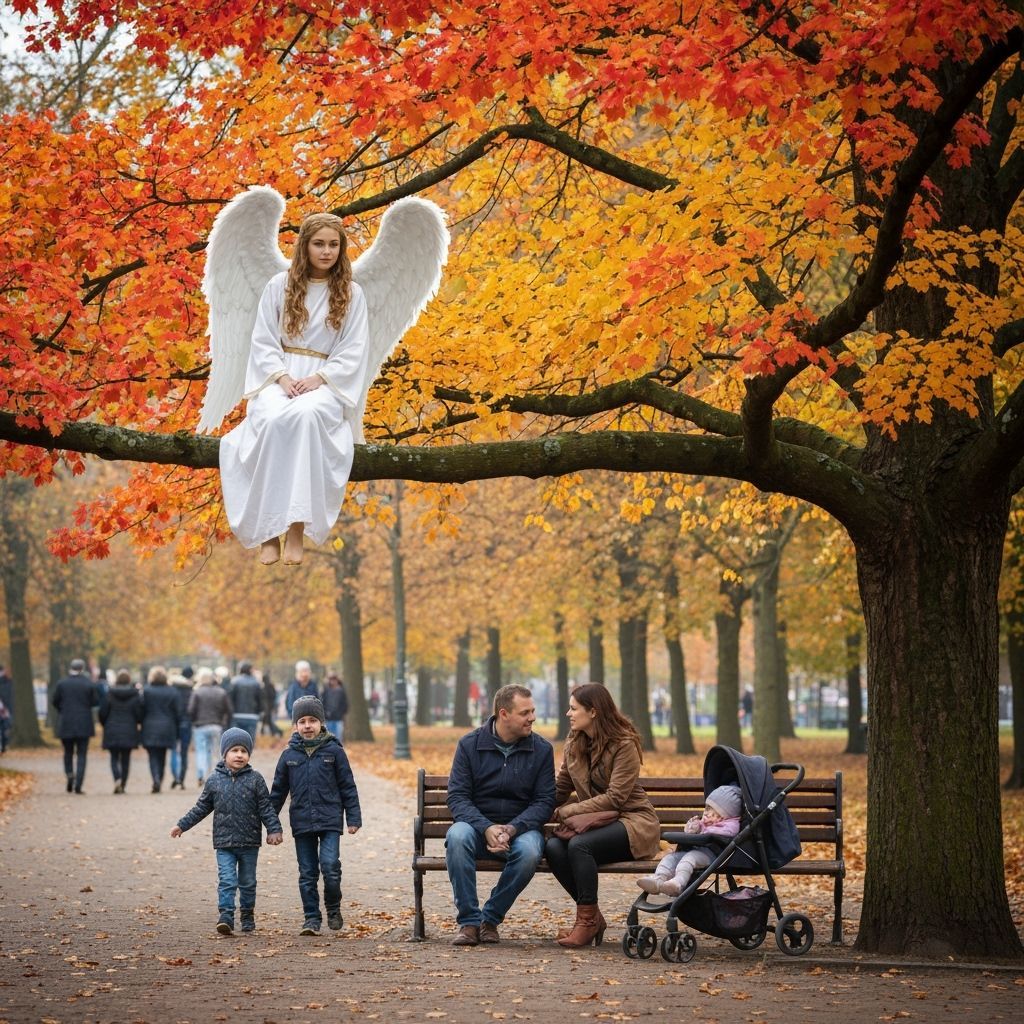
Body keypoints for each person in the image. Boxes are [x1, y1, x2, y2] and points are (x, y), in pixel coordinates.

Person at [219, 212, 370, 566]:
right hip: (279, 376)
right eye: (319, 244)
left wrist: (320, 379)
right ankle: (269, 532)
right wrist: (283, 378)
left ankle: (297, 527)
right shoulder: (279, 285)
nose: (327, 251)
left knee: (306, 416)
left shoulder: (351, 293)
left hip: (326, 381)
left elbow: (354, 348)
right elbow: (262, 339)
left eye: (334, 245)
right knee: (271, 419)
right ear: (304, 246)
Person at [544, 683, 661, 948]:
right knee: (552, 846)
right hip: (596, 823)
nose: (568, 714)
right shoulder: (575, 742)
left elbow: (616, 798)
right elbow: (562, 787)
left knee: (579, 845)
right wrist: (531, 812)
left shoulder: (624, 744)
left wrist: (567, 811)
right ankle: (593, 917)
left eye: (574, 708)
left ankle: (585, 924)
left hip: (633, 822)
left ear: (593, 712)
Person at [444, 684, 555, 947]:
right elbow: (457, 797)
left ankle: (490, 919)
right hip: (476, 828)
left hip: (521, 830)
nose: (532, 718)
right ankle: (469, 922)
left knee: (530, 852)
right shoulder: (470, 745)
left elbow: (545, 801)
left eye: (533, 711)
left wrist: (513, 828)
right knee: (457, 836)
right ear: (504, 714)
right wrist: (486, 827)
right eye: (525, 712)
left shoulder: (541, 749)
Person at [171, 727, 284, 935]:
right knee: (227, 880)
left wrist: (274, 829)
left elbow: (266, 808)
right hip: (224, 843)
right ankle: (226, 916)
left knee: (248, 882)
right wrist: (182, 825)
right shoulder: (214, 779)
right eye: (234, 750)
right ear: (224, 754)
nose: (239, 755)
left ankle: (247, 914)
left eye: (243, 751)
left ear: (249, 754)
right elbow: (201, 807)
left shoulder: (256, 779)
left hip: (249, 842)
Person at [271, 695, 361, 936]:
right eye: (302, 721)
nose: (307, 725)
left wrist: (353, 817)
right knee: (307, 872)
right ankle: (311, 917)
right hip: (302, 822)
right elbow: (278, 792)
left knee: (330, 866)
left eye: (312, 720)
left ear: (322, 723)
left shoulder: (334, 751)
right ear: (295, 726)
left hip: (330, 818)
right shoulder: (289, 756)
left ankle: (333, 908)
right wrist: (271, 824)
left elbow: (348, 786)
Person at [637, 784, 742, 897]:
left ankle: (678, 883)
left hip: (713, 855)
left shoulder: (731, 824)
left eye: (712, 810)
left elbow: (728, 834)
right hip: (696, 850)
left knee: (689, 859)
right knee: (670, 858)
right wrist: (693, 827)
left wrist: (709, 830)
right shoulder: (705, 822)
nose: (706, 812)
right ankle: (658, 880)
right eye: (706, 808)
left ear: (725, 814)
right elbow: (691, 832)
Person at [52, 658, 99, 794]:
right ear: (82, 669)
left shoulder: (62, 683)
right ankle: (79, 783)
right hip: (84, 722)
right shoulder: (88, 684)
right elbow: (95, 701)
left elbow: (55, 701)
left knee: (67, 752)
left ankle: (69, 774)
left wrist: (63, 709)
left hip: (66, 721)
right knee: (82, 754)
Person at [188, 667, 233, 786]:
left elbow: (190, 710)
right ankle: (216, 775)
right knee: (215, 751)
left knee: (201, 751)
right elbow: (228, 710)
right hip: (216, 726)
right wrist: (223, 721)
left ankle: (202, 775)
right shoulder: (221, 692)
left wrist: (194, 721)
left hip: (200, 726)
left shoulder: (197, 692)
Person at [99, 670, 142, 793]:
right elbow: (139, 714)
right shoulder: (135, 695)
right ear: (129, 680)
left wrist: (105, 724)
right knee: (126, 758)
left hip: (112, 728)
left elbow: (103, 712)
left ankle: (116, 777)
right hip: (129, 729)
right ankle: (123, 783)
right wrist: (137, 722)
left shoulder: (109, 693)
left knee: (113, 756)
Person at [140, 666, 180, 793]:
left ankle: (155, 778)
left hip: (150, 726)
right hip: (167, 727)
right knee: (162, 756)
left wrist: (140, 721)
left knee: (152, 756)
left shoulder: (146, 691)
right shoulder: (172, 691)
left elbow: (141, 709)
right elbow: (178, 711)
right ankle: (160, 780)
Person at [169, 669, 195, 789]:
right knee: (184, 752)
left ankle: (175, 777)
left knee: (174, 751)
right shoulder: (190, 691)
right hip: (186, 723)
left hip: (173, 724)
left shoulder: (171, 691)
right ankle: (182, 778)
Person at [228, 662, 262, 741]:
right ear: (250, 670)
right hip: (252, 715)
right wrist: (259, 712)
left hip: (237, 715)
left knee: (236, 740)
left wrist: (231, 712)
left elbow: (230, 698)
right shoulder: (256, 683)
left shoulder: (234, 681)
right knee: (249, 741)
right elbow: (260, 699)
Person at [322, 673, 349, 743]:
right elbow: (322, 702)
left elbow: (345, 704)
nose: (332, 681)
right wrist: (325, 713)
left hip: (338, 718)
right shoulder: (326, 690)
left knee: (338, 737)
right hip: (328, 718)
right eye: (331, 679)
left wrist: (342, 714)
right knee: (328, 737)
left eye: (334, 679)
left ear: (337, 680)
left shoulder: (341, 691)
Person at [260, 671, 283, 738]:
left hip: (268, 707)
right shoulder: (271, 686)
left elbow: (267, 697)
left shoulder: (266, 687)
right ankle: (266, 732)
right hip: (270, 706)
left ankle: (276, 731)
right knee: (267, 721)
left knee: (268, 721)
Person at [0, 664, 14, 753]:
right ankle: (4, 746)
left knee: (5, 728)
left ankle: (4, 746)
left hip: (6, 709)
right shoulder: (8, 682)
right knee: (5, 728)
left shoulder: (9, 681)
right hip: (5, 709)